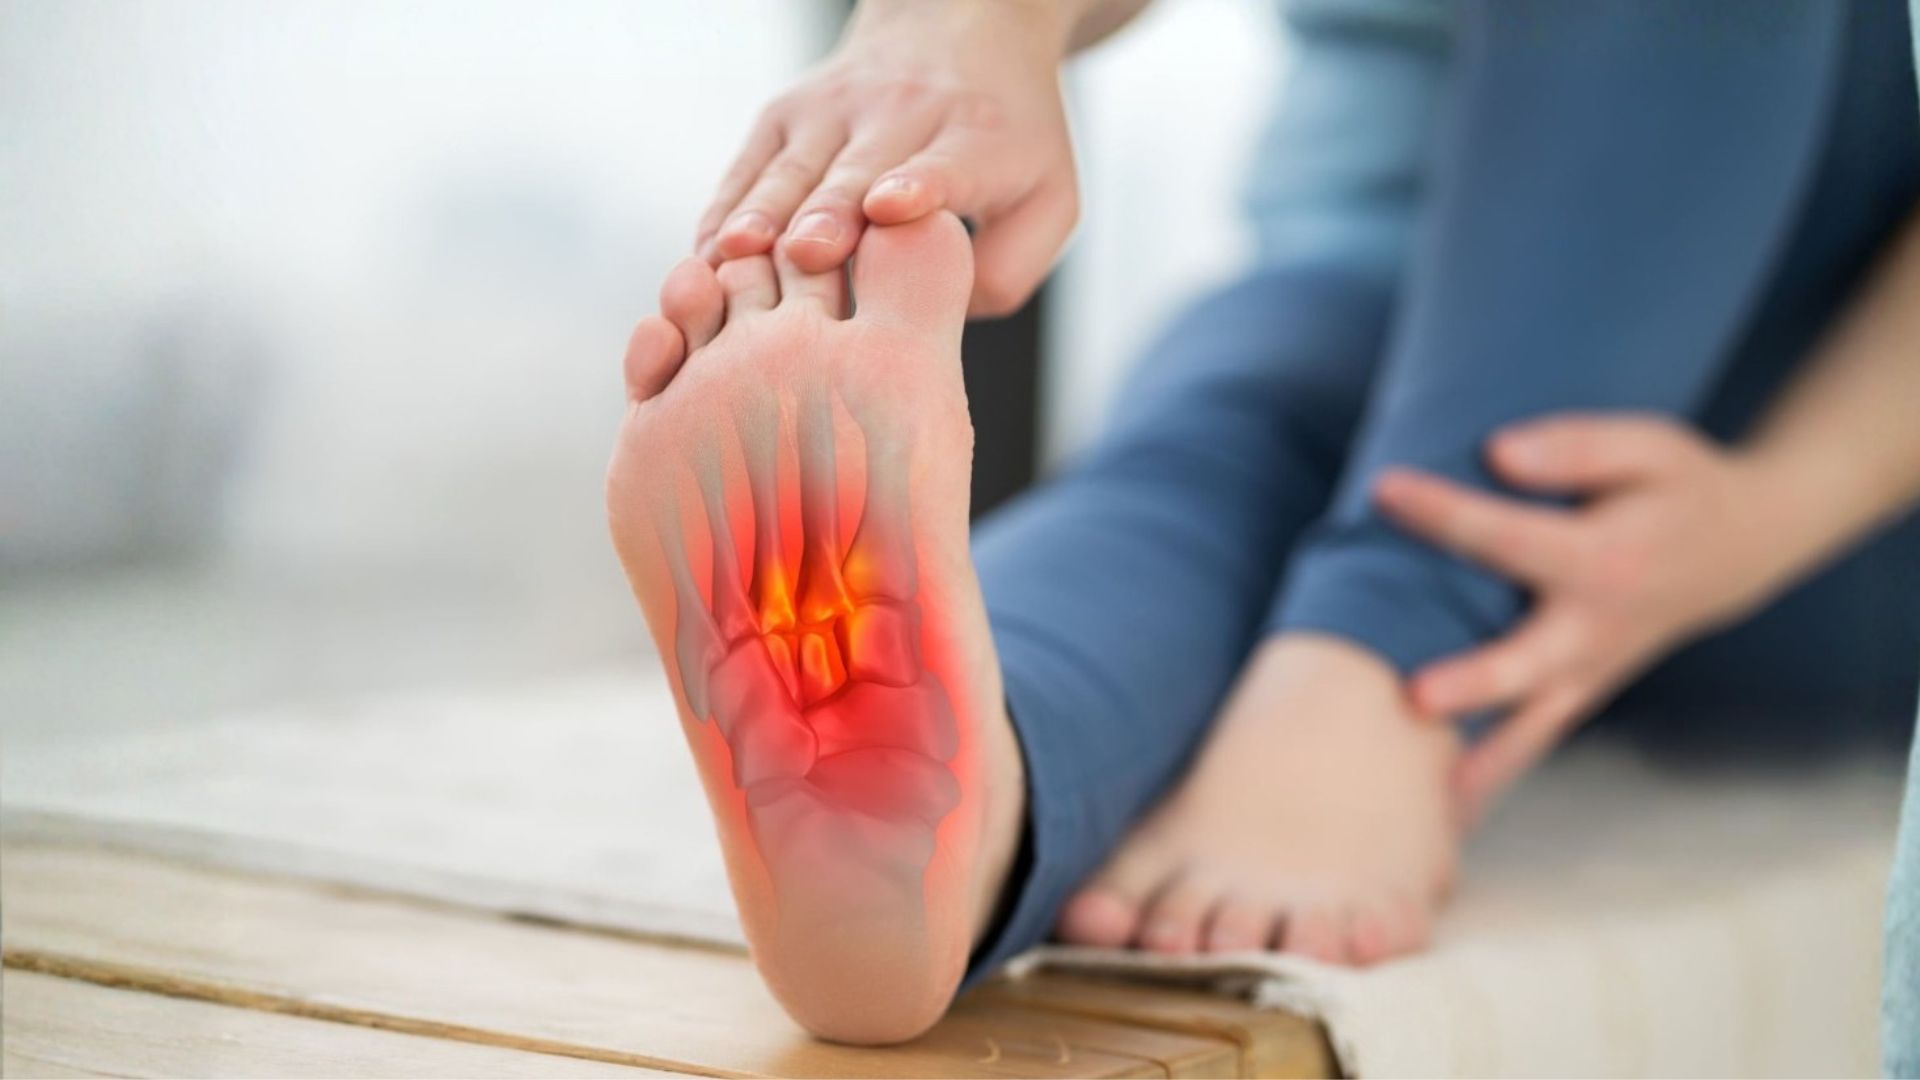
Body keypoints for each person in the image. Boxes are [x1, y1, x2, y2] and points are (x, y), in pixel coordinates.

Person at [605, 0, 1920, 1045]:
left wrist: (1772, 510)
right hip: (1370, 343)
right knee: (1221, 442)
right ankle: (975, 792)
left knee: (1218, 462)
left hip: (1814, 494)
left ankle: (1377, 659)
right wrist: (975, 21)